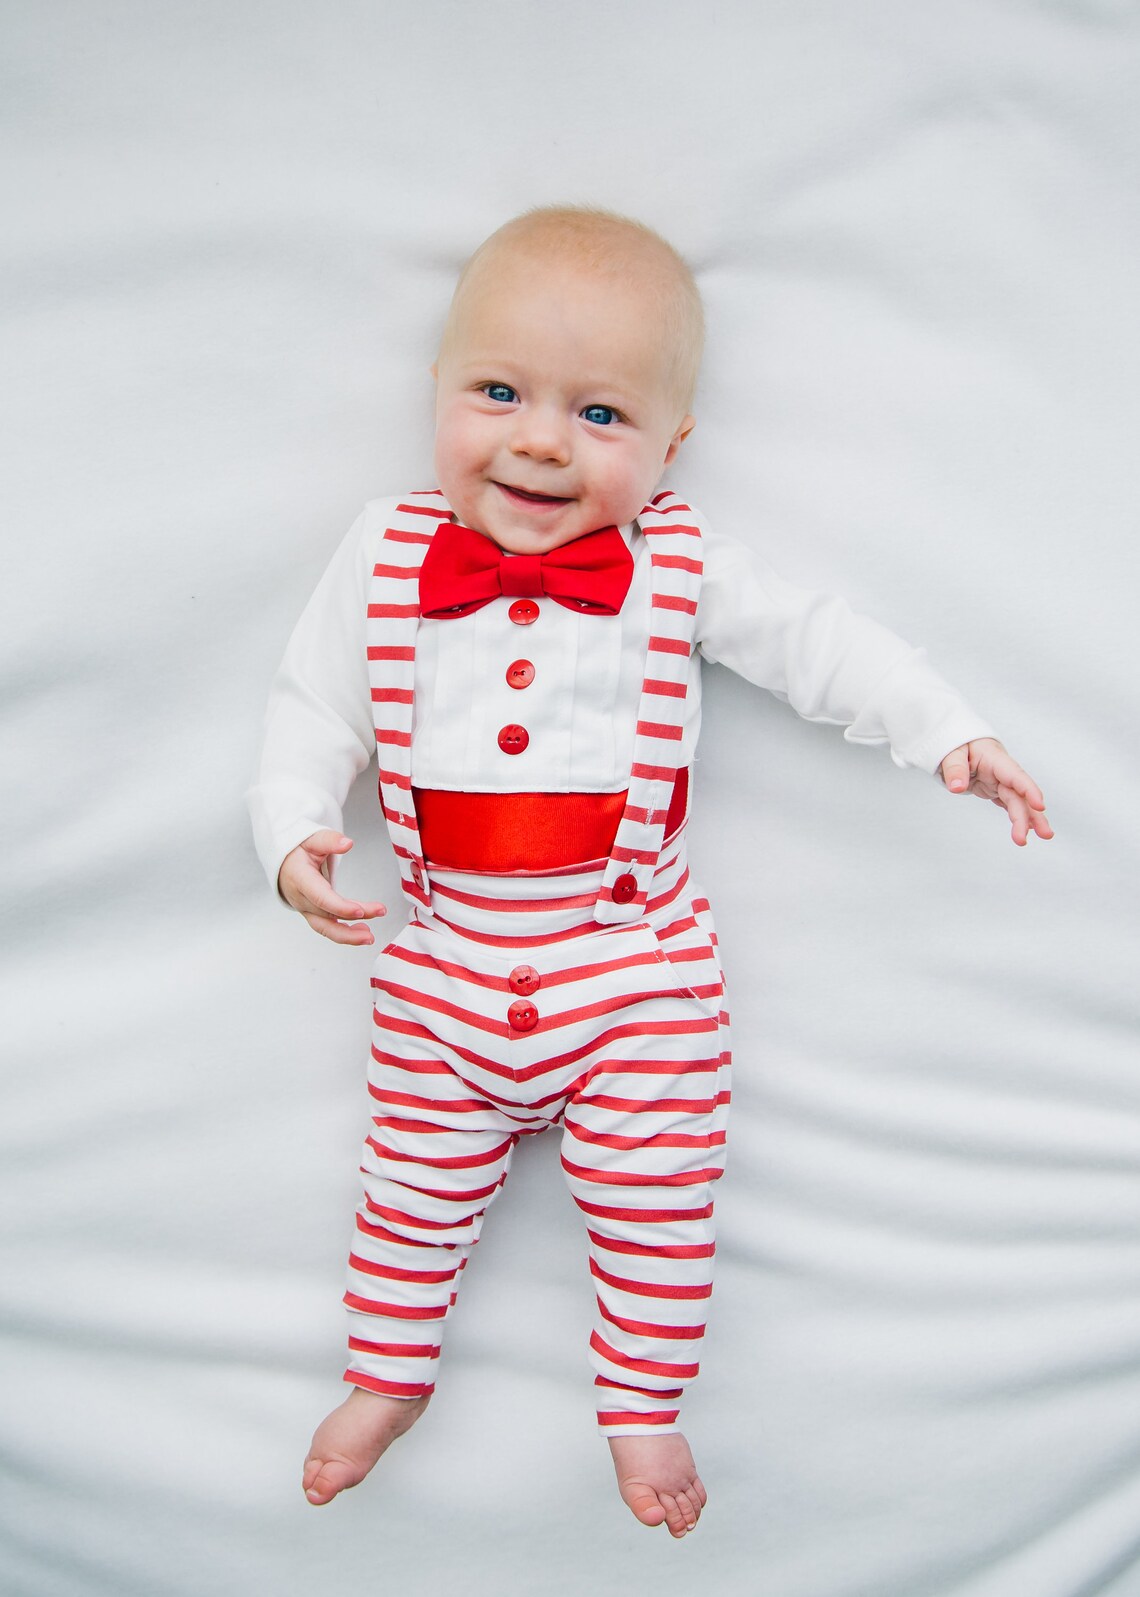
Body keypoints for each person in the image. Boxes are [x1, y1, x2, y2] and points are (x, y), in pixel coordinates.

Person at [248, 206, 1052, 1539]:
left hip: (634, 975)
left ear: (673, 446)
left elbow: (818, 643)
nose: (543, 440)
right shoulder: (382, 553)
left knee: (662, 1204)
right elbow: (308, 706)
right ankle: (386, 1376)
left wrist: (946, 729)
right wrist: (290, 833)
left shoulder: (677, 563)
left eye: (602, 414)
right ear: (437, 395)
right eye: (498, 392)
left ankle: (642, 1400)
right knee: (405, 1193)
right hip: (444, 967)